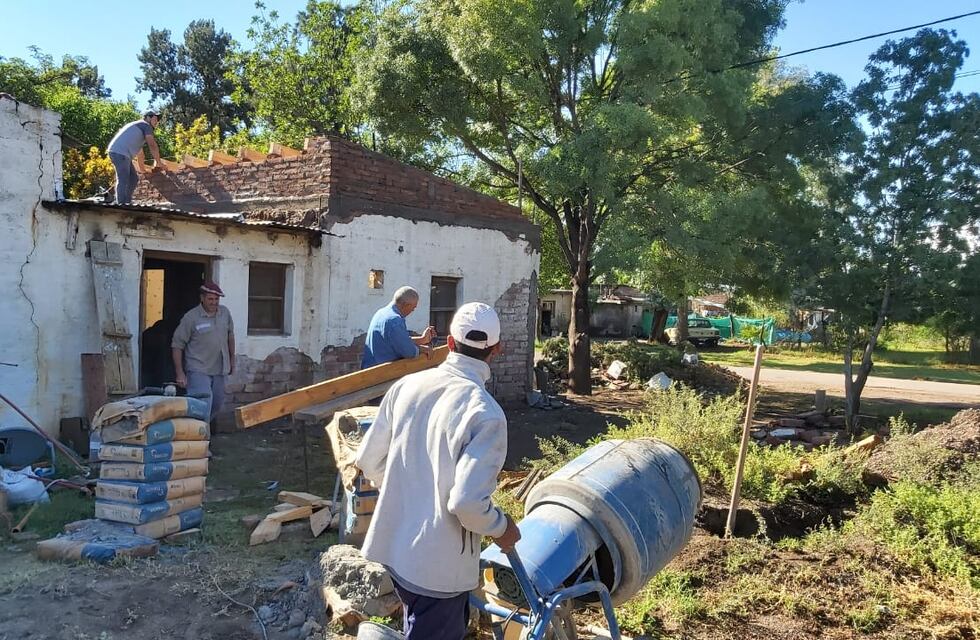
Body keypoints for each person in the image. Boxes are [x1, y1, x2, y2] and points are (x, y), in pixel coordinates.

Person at [355, 302, 521, 640]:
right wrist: (502, 528)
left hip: (395, 550)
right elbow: (467, 503)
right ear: (497, 349)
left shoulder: (406, 386)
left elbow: (369, 460)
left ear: (449, 342)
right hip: (437, 571)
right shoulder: (486, 414)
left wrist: (409, 491)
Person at [171, 281, 235, 420]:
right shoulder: (191, 317)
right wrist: (180, 373)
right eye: (210, 299)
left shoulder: (224, 313)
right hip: (198, 369)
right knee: (202, 406)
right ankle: (201, 432)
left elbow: (230, 336)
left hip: (220, 369)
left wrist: (232, 360)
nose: (214, 302)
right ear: (202, 298)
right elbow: (177, 345)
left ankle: (200, 428)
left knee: (216, 404)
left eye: (216, 299)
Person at [361, 286, 436, 368]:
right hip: (381, 372)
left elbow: (397, 341)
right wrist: (424, 349)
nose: (412, 311)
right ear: (406, 305)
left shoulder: (381, 313)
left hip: (370, 367)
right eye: (413, 308)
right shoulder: (395, 320)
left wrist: (422, 339)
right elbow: (408, 352)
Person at [106, 111, 165, 205]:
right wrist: (159, 163)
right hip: (120, 153)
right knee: (123, 178)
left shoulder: (137, 131)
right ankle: (121, 204)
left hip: (120, 153)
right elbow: (152, 145)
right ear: (147, 118)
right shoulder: (146, 125)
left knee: (133, 179)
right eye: (154, 119)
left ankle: (126, 202)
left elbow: (140, 154)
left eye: (157, 121)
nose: (156, 122)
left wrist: (143, 170)